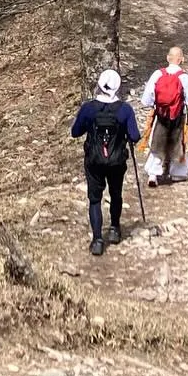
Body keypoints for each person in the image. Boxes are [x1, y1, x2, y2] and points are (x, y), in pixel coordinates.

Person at [71, 68, 141, 255]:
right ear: (118, 87)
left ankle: (97, 241)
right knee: (116, 193)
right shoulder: (125, 109)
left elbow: (75, 132)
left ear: (99, 85)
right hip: (117, 160)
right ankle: (115, 229)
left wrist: (88, 125)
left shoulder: (88, 108)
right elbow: (135, 136)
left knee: (95, 199)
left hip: (94, 160)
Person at [140, 47, 188, 186]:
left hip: (161, 115)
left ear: (168, 58)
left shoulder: (157, 74)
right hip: (178, 115)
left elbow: (146, 99)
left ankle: (153, 173)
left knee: (157, 142)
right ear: (182, 60)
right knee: (179, 142)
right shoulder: (183, 77)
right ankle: (177, 173)